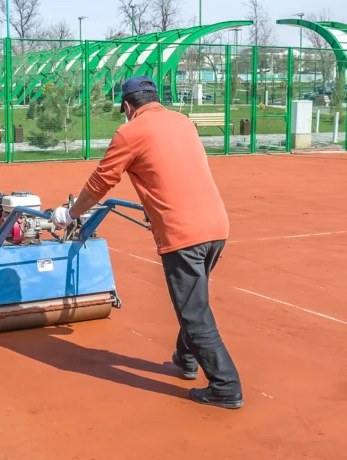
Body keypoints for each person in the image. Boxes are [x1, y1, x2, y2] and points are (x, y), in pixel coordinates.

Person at [50, 76, 243, 409]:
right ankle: (186, 359)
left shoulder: (130, 133)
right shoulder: (183, 122)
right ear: (155, 98)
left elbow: (100, 183)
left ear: (127, 106)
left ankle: (226, 386)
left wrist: (68, 214)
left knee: (194, 313)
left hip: (183, 234)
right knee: (194, 300)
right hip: (216, 226)